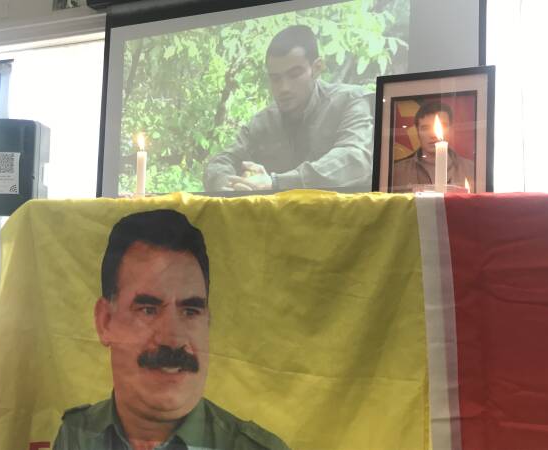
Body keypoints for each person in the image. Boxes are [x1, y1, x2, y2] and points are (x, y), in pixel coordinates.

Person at [53, 209, 290, 450]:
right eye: (148, 310)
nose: (173, 339)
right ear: (106, 321)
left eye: (190, 311)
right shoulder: (76, 435)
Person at [203, 24, 373, 191]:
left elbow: (355, 159)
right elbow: (220, 162)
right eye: (276, 78)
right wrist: (227, 185)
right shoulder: (262, 122)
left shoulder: (350, 100)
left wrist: (276, 183)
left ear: (317, 68)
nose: (284, 88)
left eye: (294, 74)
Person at [392, 101, 475, 192]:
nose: (433, 135)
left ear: (451, 130)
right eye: (425, 128)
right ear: (417, 132)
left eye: (442, 126)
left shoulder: (471, 169)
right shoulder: (397, 171)